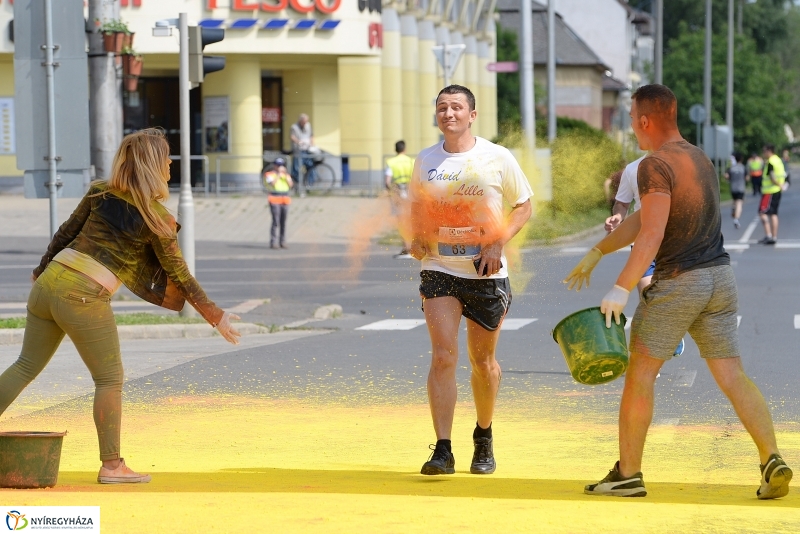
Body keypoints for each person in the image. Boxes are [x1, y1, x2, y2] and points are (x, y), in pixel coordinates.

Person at [564, 84, 791, 500]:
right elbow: (646, 219)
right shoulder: (698, 157)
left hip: (678, 283)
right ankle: (771, 458)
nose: (631, 125)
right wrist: (598, 250)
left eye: (632, 118)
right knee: (733, 376)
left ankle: (628, 474)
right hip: (719, 280)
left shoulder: (654, 164)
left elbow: (650, 234)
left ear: (646, 120)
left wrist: (620, 287)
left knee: (640, 377)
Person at [0, 129, 242, 485]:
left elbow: (65, 233)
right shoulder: (158, 219)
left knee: (24, 366)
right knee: (109, 379)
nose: (171, 163)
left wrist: (41, 271)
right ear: (154, 165)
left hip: (49, 282)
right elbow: (181, 275)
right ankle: (112, 466)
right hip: (83, 294)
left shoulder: (100, 191)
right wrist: (216, 316)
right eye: (167, 157)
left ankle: (112, 464)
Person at [409, 85, 533, 476]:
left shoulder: (497, 157)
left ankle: (484, 436)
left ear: (472, 115)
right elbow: (417, 207)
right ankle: (442, 449)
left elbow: (524, 205)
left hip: (486, 273)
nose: (449, 113)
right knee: (443, 356)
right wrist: (416, 237)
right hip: (439, 267)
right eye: (442, 107)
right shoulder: (426, 160)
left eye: (457, 107)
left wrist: (497, 241)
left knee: (483, 362)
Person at [600, 156, 684, 358]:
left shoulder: (681, 163)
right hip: (643, 242)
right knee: (648, 297)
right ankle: (652, 355)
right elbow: (621, 204)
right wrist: (617, 218)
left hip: (673, 241)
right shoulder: (632, 169)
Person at [385, 140, 415, 258]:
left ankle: (406, 248)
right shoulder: (411, 161)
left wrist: (390, 192)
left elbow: (387, 181)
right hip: (409, 191)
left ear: (395, 150)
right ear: (404, 149)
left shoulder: (391, 162)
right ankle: (413, 247)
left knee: (401, 220)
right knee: (411, 219)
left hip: (398, 191)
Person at [757, 144, 786, 245]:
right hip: (776, 190)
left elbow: (772, 176)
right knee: (773, 213)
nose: (763, 153)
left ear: (769, 151)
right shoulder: (778, 160)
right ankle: (772, 236)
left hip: (770, 191)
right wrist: (781, 185)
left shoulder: (771, 162)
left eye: (764, 151)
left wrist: (778, 184)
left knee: (763, 213)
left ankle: (770, 236)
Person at [264, 157, 293, 250]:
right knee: (275, 221)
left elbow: (291, 185)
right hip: (275, 199)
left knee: (283, 222)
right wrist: (278, 175)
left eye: (281, 165)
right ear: (274, 166)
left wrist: (286, 176)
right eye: (278, 165)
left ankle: (282, 241)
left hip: (284, 199)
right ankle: (273, 242)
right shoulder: (269, 174)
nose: (279, 167)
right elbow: (272, 184)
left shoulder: (285, 175)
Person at [290, 113, 316, 190]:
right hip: (298, 150)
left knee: (311, 167)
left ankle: (310, 185)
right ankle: (298, 186)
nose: (304, 124)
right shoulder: (294, 127)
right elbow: (292, 137)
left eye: (306, 122)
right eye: (303, 122)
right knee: (296, 169)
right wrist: (298, 141)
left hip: (307, 150)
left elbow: (311, 135)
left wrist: (312, 145)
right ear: (300, 121)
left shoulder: (308, 125)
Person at [726, 152, 747, 229]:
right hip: (741, 188)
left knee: (735, 201)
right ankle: (736, 219)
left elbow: (726, 176)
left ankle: (733, 209)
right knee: (739, 203)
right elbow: (747, 178)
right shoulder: (743, 167)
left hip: (733, 188)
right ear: (741, 159)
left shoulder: (731, 168)